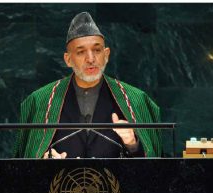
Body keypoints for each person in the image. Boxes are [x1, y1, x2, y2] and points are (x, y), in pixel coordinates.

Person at [14, 12, 162, 159]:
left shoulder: (136, 100)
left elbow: (155, 166)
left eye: (97, 50)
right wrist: (45, 162)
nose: (91, 59)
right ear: (68, 59)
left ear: (106, 54)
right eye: (80, 52)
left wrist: (132, 143)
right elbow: (24, 166)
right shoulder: (40, 101)